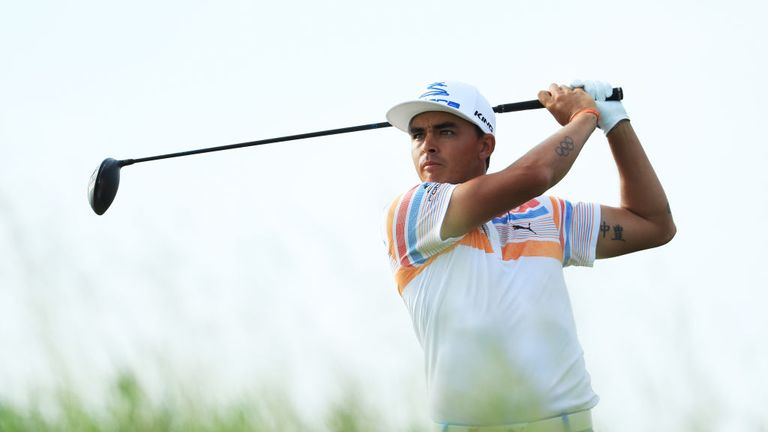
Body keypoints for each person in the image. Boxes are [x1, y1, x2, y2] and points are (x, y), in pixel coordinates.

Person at [382, 80, 675, 431]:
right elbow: (536, 173)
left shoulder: (544, 215)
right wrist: (584, 116)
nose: (427, 146)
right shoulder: (415, 211)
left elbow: (654, 223)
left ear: (484, 146)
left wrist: (615, 122)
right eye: (417, 135)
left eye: (445, 131)